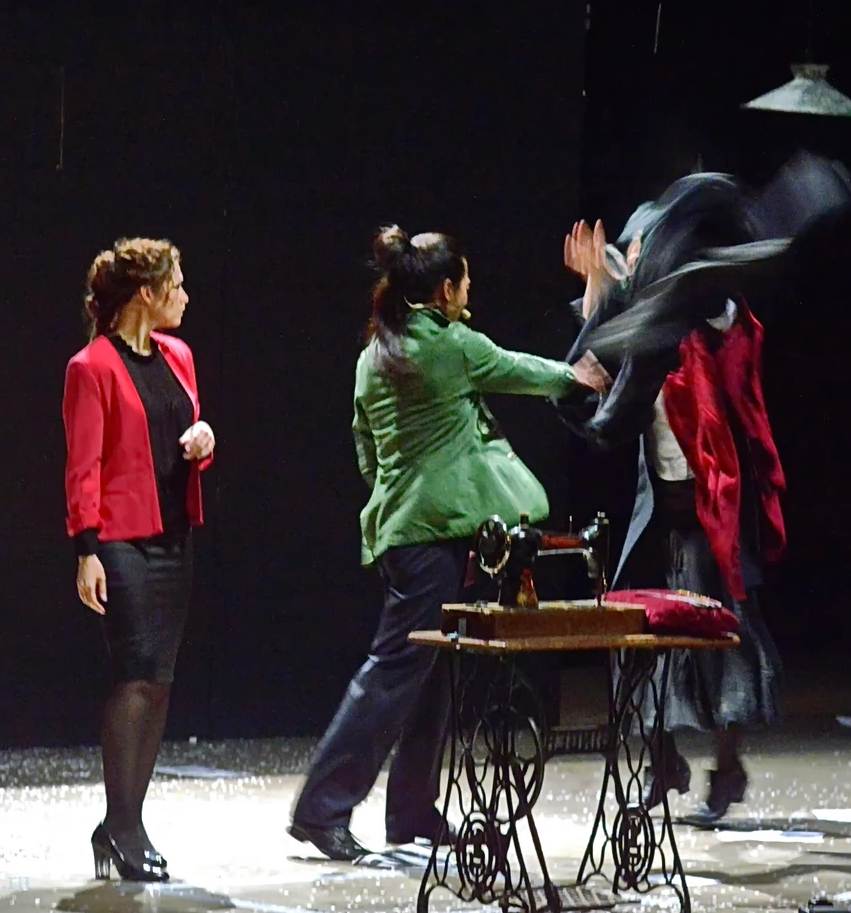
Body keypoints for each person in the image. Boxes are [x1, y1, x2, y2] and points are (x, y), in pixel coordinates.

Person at [288, 226, 611, 861]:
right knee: (394, 671)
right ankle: (321, 808)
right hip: (431, 539)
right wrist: (577, 376)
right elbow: (520, 371)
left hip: (403, 531)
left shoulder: (375, 353)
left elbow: (365, 446)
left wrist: (404, 496)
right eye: (464, 284)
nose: (469, 294)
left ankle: (411, 811)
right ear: (443, 290)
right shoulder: (451, 345)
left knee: (429, 674)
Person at [559, 167, 810, 825]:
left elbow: (722, 333)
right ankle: (661, 762)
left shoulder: (717, 318)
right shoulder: (647, 328)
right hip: (661, 508)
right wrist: (599, 296)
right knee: (636, 635)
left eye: (646, 247)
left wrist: (648, 292)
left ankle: (726, 769)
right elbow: (592, 396)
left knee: (724, 637)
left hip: (715, 510)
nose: (636, 255)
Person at [65, 238, 215, 882]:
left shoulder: (179, 356)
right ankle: (123, 826)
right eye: (175, 285)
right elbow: (83, 466)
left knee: (160, 681)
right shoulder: (92, 366)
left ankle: (124, 822)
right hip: (121, 541)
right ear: (146, 295)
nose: (184, 295)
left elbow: (187, 432)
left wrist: (204, 440)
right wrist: (87, 551)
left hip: (174, 534)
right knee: (135, 674)